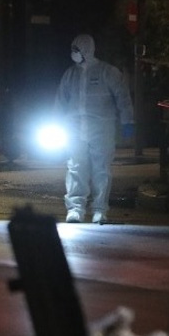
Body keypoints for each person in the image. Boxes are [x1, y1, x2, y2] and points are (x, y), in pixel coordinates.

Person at [54, 34, 134, 224]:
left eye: (76, 50)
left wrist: (128, 121)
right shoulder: (70, 74)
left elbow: (122, 97)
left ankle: (100, 210)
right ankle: (75, 209)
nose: (73, 53)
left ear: (86, 50)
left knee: (101, 169)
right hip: (74, 128)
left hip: (102, 127)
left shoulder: (108, 72)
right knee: (75, 168)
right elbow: (60, 100)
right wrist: (57, 121)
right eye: (73, 49)